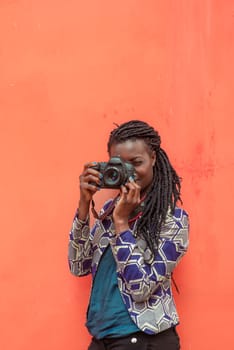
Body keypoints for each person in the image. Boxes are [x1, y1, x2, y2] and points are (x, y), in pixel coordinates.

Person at [68, 120, 189, 350]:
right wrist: (84, 206)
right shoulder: (108, 213)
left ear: (153, 158)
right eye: (120, 165)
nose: (129, 173)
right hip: (103, 338)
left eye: (136, 162)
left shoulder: (173, 221)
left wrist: (122, 224)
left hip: (143, 339)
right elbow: (78, 266)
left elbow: (141, 287)